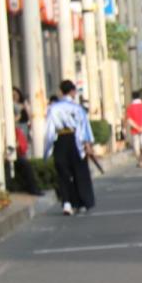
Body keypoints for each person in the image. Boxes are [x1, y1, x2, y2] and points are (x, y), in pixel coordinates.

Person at [43, 79, 96, 215]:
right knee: (80, 172)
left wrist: (47, 150)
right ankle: (82, 202)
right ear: (72, 91)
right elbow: (84, 127)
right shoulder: (78, 108)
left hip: (60, 140)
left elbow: (49, 130)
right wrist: (88, 144)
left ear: (60, 91)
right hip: (76, 140)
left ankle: (67, 203)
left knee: (63, 173)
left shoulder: (53, 108)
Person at [125, 92, 142, 168]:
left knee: (136, 147)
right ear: (140, 97)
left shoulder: (130, 107)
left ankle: (140, 162)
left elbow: (129, 120)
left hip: (135, 131)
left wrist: (137, 127)